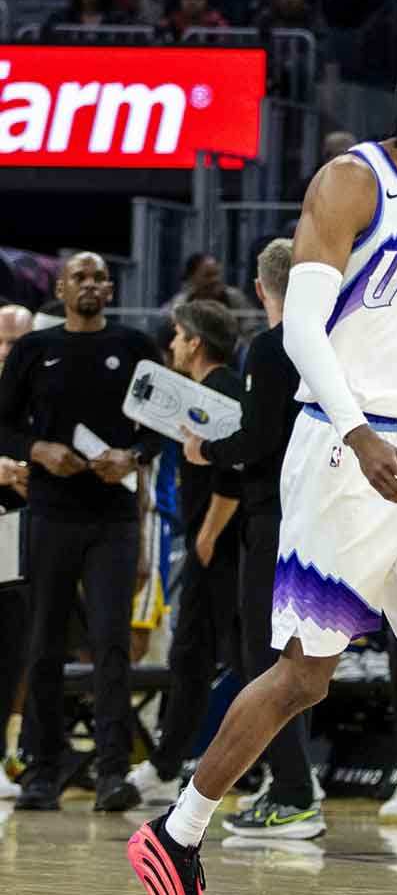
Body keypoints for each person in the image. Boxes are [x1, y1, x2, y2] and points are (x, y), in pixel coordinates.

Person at [126, 44, 397, 895]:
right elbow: (302, 329)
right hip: (344, 450)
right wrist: (362, 433)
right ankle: (178, 831)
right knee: (304, 675)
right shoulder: (350, 182)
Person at [0, 251, 164, 813]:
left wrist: (135, 455)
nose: (90, 284)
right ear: (63, 290)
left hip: (112, 521)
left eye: (98, 277)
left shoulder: (135, 348)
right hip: (49, 515)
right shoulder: (32, 350)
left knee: (110, 644)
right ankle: (42, 773)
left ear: (111, 290)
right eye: (80, 277)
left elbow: (168, 422)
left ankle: (113, 771)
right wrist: (34, 449)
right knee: (43, 642)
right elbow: (3, 424)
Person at [173, 238, 324, 837]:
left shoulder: (271, 345)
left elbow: (258, 441)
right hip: (318, 515)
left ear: (261, 290)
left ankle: (294, 796)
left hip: (273, 521)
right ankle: (289, 785)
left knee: (267, 661)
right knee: (297, 660)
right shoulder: (331, 339)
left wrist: (205, 449)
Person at [126, 301, 248, 811]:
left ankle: (276, 772)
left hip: (221, 542)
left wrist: (209, 531)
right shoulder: (197, 393)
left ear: (195, 342)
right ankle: (166, 763)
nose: (172, 344)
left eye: (177, 335)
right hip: (211, 541)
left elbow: (233, 471)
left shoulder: (222, 392)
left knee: (241, 658)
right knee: (192, 655)